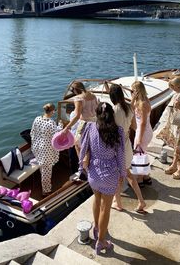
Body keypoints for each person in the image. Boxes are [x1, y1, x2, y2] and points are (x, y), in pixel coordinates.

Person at [78, 102, 126, 255]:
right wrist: (123, 175)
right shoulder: (118, 131)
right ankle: (101, 242)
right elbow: (121, 156)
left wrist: (81, 167)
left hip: (93, 172)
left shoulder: (90, 127)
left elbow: (83, 149)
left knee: (96, 199)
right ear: (112, 114)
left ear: (97, 114)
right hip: (110, 174)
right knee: (106, 207)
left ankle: (97, 229)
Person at [109, 84, 147, 213]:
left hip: (117, 148)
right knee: (125, 174)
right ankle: (119, 201)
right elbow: (135, 127)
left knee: (120, 175)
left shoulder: (113, 111)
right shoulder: (129, 108)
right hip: (126, 146)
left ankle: (121, 202)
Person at [156, 77, 180, 179]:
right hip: (176, 126)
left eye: (172, 85)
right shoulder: (176, 94)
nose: (171, 87)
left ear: (177, 86)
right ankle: (173, 165)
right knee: (177, 148)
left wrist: (179, 107)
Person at [30, 103, 63, 196]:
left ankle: (45, 187)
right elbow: (57, 134)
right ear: (52, 111)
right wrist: (60, 125)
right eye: (54, 111)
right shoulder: (51, 122)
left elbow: (32, 132)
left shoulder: (37, 119)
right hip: (46, 149)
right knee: (47, 171)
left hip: (37, 146)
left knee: (43, 167)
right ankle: (46, 191)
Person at [62, 81, 98, 156]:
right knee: (90, 147)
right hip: (94, 124)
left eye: (72, 90)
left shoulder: (78, 98)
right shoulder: (93, 96)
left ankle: (81, 165)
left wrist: (67, 127)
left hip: (84, 125)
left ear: (75, 89)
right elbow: (97, 110)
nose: (73, 92)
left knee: (77, 145)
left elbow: (77, 116)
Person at [131, 81, 153, 186]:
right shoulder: (143, 101)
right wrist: (133, 99)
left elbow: (143, 122)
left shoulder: (143, 104)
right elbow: (131, 109)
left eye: (133, 90)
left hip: (143, 131)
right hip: (145, 130)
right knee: (142, 153)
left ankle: (140, 179)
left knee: (139, 154)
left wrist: (139, 137)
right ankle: (146, 176)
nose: (132, 92)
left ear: (137, 91)